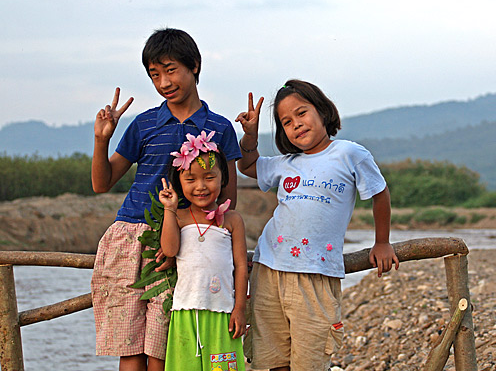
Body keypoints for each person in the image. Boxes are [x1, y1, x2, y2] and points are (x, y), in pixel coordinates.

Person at [91, 28, 241, 371]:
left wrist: (182, 242)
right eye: (154, 74)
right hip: (130, 236)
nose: (163, 82)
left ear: (194, 66)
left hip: (183, 240)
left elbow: (226, 202)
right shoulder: (144, 124)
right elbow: (102, 183)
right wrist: (101, 140)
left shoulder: (219, 128)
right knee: (129, 349)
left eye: (170, 70)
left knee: (163, 349)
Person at [235, 79, 400, 371]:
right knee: (271, 356)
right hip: (269, 269)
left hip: (316, 273)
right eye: (286, 122)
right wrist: (250, 136)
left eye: (302, 113)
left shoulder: (350, 154)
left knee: (310, 358)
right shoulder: (286, 163)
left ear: (322, 111)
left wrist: (382, 242)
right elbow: (247, 166)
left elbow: (380, 193)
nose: (296, 124)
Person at [159, 135, 247, 371]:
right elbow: (169, 250)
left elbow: (240, 266)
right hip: (185, 311)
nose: (200, 186)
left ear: (222, 178)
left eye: (209, 177)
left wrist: (239, 308)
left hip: (223, 312)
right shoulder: (179, 217)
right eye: (190, 179)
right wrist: (169, 209)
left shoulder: (232, 220)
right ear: (179, 183)